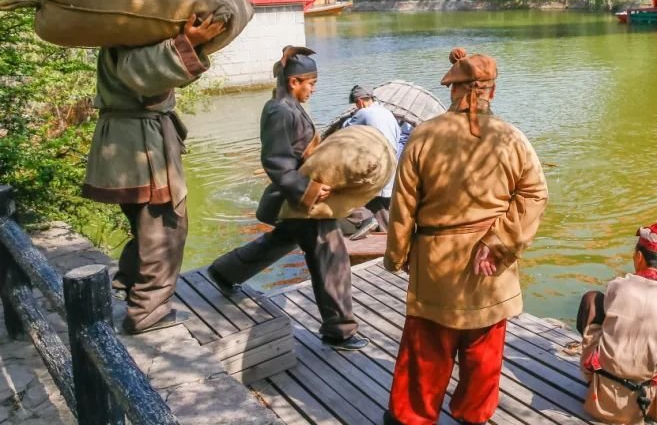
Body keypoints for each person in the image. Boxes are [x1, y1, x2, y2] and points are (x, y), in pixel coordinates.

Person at [383, 47, 548, 425]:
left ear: (453, 89)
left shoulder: (424, 136)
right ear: (492, 90)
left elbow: (402, 207)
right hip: (492, 269)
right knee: (483, 353)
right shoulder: (511, 138)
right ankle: (473, 417)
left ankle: (412, 418)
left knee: (426, 351)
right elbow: (535, 195)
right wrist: (500, 242)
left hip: (435, 263)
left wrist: (398, 256)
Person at [209, 46, 367, 351]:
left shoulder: (287, 106)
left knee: (282, 240)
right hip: (300, 199)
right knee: (331, 258)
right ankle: (339, 331)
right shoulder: (280, 111)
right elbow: (276, 163)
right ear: (294, 82)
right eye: (311, 83)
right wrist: (310, 189)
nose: (314, 89)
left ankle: (225, 270)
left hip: (299, 197)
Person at [84, 14, 224, 334]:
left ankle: (129, 283)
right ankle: (148, 311)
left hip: (128, 137)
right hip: (139, 142)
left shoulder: (122, 32)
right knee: (165, 227)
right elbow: (147, 79)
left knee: (145, 224)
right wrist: (189, 42)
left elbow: (161, 74)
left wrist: (189, 45)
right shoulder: (132, 37)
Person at [576, 223, 657, 424]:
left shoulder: (617, 286)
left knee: (592, 299)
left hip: (602, 399)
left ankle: (588, 373)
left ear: (638, 256)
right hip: (644, 404)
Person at [341, 84, 401, 235]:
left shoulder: (364, 113)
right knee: (381, 203)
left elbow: (344, 131)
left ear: (360, 102)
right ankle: (386, 235)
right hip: (392, 165)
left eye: (356, 104)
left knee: (343, 192)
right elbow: (398, 136)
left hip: (376, 167)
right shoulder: (388, 113)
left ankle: (364, 218)